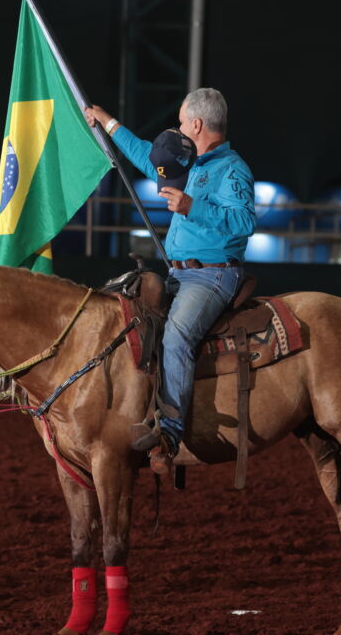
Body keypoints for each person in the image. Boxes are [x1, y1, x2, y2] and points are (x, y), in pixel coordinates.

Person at [85, 87, 257, 473]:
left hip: (212, 277)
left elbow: (245, 221)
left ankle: (171, 433)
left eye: (181, 122)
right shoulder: (188, 163)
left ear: (196, 124)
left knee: (177, 335)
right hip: (180, 274)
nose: (178, 128)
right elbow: (147, 156)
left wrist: (192, 206)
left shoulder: (232, 170)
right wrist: (108, 123)